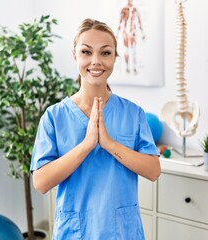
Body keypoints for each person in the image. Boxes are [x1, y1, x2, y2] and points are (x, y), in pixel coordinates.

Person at [30, 18, 161, 239]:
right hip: (75, 231)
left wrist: (109, 144)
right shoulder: (54, 117)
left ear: (115, 57)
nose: (96, 61)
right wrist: (87, 145)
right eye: (86, 52)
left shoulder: (133, 113)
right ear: (75, 56)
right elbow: (41, 183)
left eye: (106, 53)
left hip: (122, 232)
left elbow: (153, 170)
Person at [116, 0, 146, 74]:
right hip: (126, 32)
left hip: (133, 32)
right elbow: (120, 22)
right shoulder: (124, 9)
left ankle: (135, 67)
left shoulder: (135, 10)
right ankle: (127, 67)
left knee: (133, 51)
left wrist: (142, 34)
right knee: (126, 50)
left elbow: (139, 22)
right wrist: (117, 34)